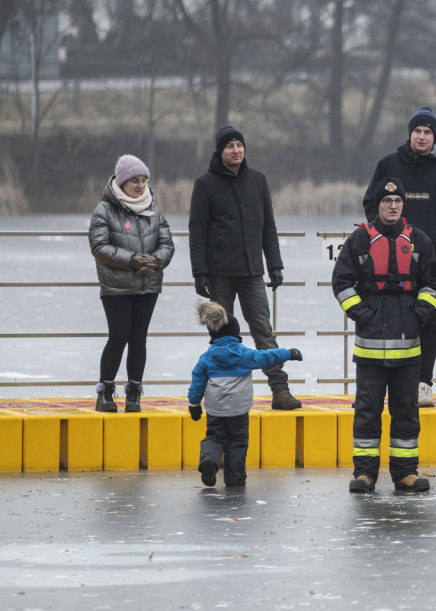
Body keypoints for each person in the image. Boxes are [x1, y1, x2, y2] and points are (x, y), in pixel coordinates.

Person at [335, 178, 436, 494]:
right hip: (369, 350)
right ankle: (365, 474)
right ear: (377, 205)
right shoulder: (359, 240)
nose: (392, 205)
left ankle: (406, 474)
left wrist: (419, 314)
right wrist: (363, 316)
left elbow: (432, 284)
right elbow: (341, 283)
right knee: (366, 412)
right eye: (387, 201)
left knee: (406, 412)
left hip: (408, 350)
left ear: (403, 205)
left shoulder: (419, 241)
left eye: (397, 201)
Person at [187, 124, 301, 411]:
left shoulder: (258, 181)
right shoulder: (205, 184)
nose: (236, 150)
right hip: (218, 274)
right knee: (222, 337)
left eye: (239, 145)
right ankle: (223, 393)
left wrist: (274, 264)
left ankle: (280, 390)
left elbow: (269, 227)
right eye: (229, 146)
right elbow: (197, 230)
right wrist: (199, 272)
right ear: (220, 151)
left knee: (264, 330)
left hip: (252, 273)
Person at [362, 106, 436, 408]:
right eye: (417, 131)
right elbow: (370, 202)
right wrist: (379, 232)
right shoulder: (388, 164)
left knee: (428, 318)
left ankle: (423, 384)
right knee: (385, 316)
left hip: (430, 257)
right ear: (410, 134)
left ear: (435, 136)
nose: (422, 136)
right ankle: (379, 386)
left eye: (427, 132)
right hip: (389, 255)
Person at [89, 154, 175, 413]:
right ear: (122, 182)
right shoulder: (104, 209)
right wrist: (133, 260)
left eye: (144, 180)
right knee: (118, 338)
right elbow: (99, 246)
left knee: (139, 339)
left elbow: (167, 244)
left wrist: (155, 261)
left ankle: (134, 393)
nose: (140, 185)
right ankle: (105, 392)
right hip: (116, 286)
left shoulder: (154, 209)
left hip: (148, 285)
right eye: (134, 180)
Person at [188, 301, 303, 488]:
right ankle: (235, 479)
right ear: (235, 333)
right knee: (238, 442)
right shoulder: (244, 355)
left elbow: (197, 383)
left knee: (214, 438)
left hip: (215, 409)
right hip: (238, 409)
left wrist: (194, 405)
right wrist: (289, 353)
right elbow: (268, 356)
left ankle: (209, 459)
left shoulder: (207, 358)